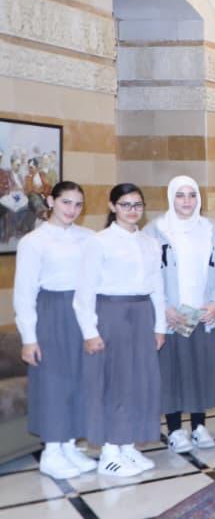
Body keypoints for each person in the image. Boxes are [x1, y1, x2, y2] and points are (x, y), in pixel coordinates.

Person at [75, 183, 166, 477]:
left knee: (140, 381)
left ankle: (128, 444)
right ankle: (109, 451)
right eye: (125, 205)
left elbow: (157, 286)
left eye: (137, 205)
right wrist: (90, 331)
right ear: (113, 207)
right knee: (113, 381)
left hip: (142, 313)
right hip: (111, 313)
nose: (132, 210)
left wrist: (160, 325)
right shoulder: (99, 242)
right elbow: (84, 291)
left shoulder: (150, 242)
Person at [16, 182, 98, 479]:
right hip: (51, 313)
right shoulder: (34, 242)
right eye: (66, 202)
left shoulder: (88, 238)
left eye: (78, 204)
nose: (72, 210)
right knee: (54, 382)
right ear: (51, 201)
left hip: (82, 312)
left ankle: (69, 444)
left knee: (79, 380)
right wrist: (29, 338)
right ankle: (52, 451)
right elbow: (24, 293)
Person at [144, 176, 215, 454]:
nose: (186, 201)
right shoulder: (155, 231)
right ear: (171, 198)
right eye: (180, 195)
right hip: (172, 315)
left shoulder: (210, 229)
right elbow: (148, 273)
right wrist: (164, 308)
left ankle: (199, 426)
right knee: (172, 373)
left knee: (199, 370)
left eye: (192, 195)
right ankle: (174, 430)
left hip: (201, 314)